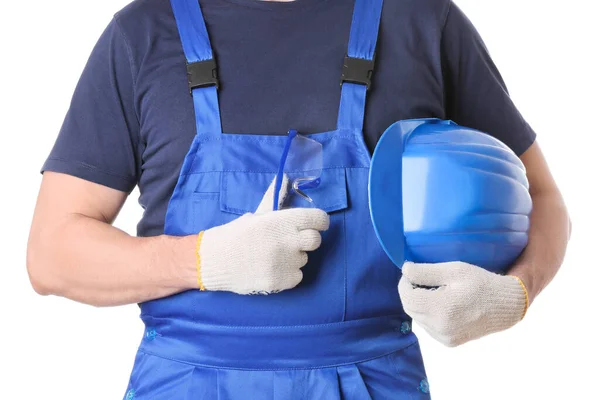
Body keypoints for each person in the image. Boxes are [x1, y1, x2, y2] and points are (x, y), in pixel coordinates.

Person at [26, 0, 570, 398]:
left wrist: (513, 294)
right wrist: (202, 261)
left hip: (373, 381)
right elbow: (53, 255)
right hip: (184, 384)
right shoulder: (142, 34)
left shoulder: (422, 22)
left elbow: (541, 195)